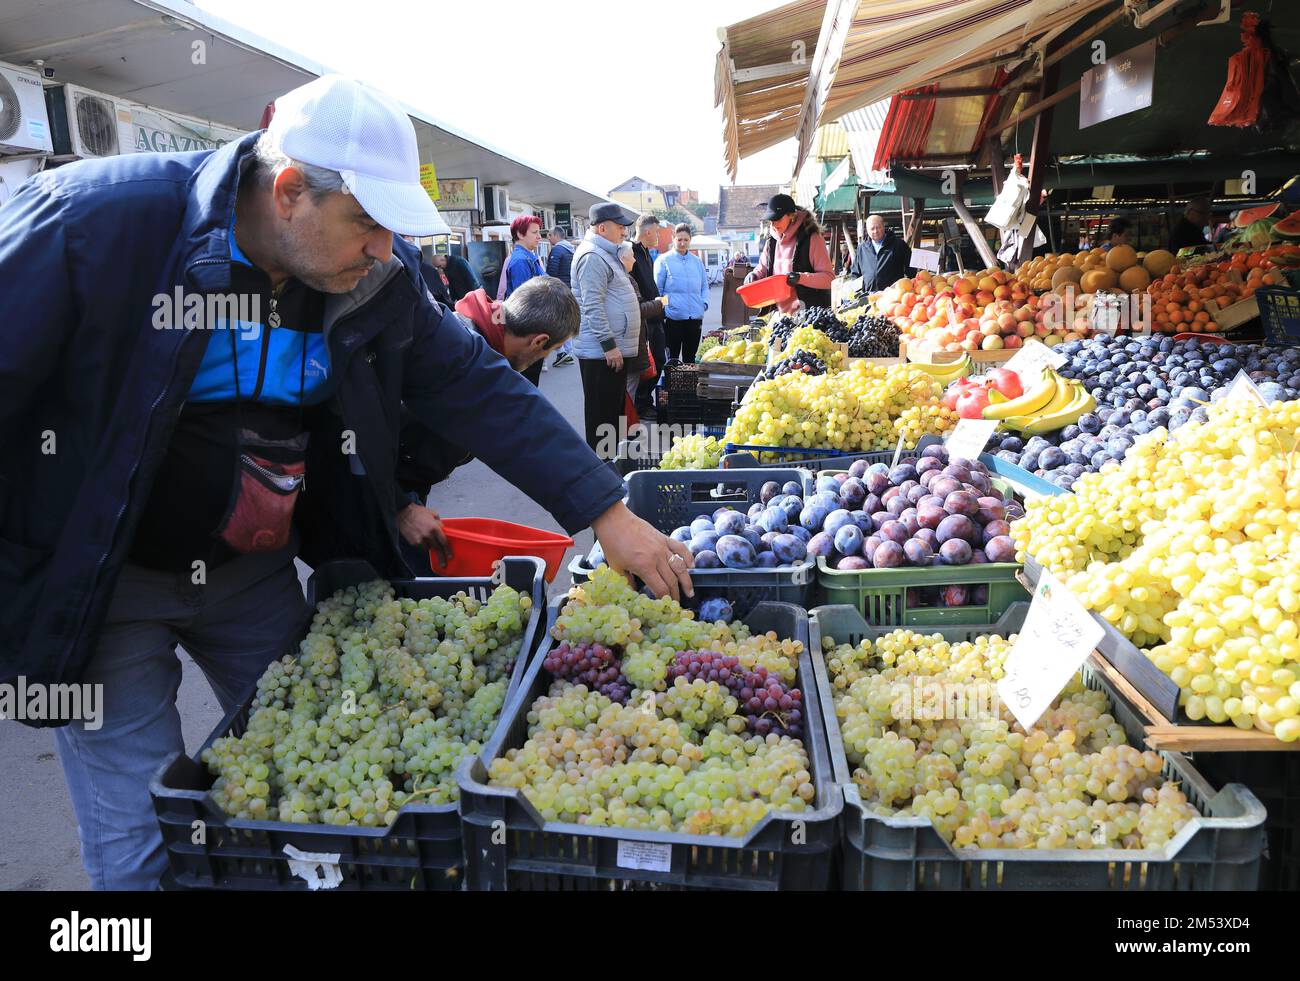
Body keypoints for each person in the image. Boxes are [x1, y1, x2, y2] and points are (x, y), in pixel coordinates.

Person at [0, 74, 692, 890]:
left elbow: (478, 386)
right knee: (143, 838)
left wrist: (605, 509)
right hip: (104, 586)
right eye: (367, 223)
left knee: (321, 781)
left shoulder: (367, 277)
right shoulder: (95, 224)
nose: (383, 250)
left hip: (252, 577)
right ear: (290, 191)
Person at [395, 276, 582, 573]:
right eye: (549, 351)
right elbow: (369, 434)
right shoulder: (460, 361)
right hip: (381, 491)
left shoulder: (467, 334)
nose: (543, 358)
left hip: (404, 487)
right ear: (539, 341)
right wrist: (400, 506)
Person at [571, 202, 641, 456]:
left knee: (611, 418)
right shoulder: (592, 257)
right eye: (620, 226)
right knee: (602, 420)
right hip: (601, 354)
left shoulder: (606, 254)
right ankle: (601, 476)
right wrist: (609, 345)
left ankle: (609, 469)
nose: (624, 231)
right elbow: (592, 306)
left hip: (609, 352)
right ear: (602, 228)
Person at [749, 193, 834, 313]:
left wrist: (801, 278)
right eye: (771, 220)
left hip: (808, 313)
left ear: (792, 216)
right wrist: (754, 275)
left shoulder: (812, 238)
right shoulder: (771, 241)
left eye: (778, 219)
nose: (774, 224)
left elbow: (829, 279)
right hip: (778, 315)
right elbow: (762, 269)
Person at [654, 224, 710, 363]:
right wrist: (666, 309)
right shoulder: (664, 260)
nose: (683, 243)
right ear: (673, 239)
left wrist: (703, 304)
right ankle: (672, 385)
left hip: (695, 317)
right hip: (673, 319)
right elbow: (658, 290)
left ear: (690, 239)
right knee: (672, 358)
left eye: (686, 239)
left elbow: (704, 286)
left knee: (690, 358)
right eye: (679, 239)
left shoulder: (697, 261)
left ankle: (689, 384)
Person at [630, 215, 667, 415]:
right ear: (648, 231)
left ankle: (644, 402)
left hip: (655, 314)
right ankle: (641, 404)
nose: (659, 235)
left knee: (658, 361)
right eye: (657, 231)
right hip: (644, 318)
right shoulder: (630, 253)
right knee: (649, 364)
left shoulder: (645, 252)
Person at [851, 213, 911, 295]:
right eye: (872, 229)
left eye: (878, 227)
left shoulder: (898, 244)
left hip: (893, 296)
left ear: (883, 226)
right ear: (867, 230)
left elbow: (911, 269)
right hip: (869, 297)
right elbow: (855, 274)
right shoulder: (862, 248)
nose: (875, 231)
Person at [545, 228, 577, 367]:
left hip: (558, 290)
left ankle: (562, 351)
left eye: (550, 235)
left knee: (555, 322)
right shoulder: (571, 249)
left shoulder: (557, 250)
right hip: (569, 289)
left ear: (557, 236)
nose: (548, 238)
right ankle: (567, 351)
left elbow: (552, 272)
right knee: (565, 320)